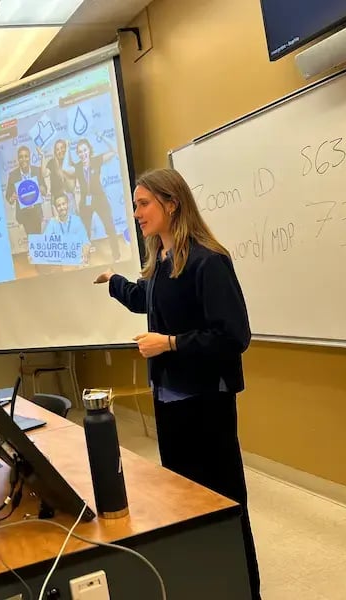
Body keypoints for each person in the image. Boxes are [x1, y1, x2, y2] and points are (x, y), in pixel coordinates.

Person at [93, 168, 261, 599]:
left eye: (143, 203)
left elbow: (233, 337)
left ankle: (244, 588)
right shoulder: (163, 261)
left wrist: (167, 343)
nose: (136, 213)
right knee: (183, 500)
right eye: (134, 205)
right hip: (170, 401)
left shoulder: (208, 261)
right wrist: (114, 282)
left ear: (172, 203)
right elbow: (147, 299)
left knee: (222, 502)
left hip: (205, 402)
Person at [73, 134, 121, 262]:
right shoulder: (77, 167)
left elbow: (114, 150)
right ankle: (85, 258)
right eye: (80, 152)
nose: (83, 154)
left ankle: (116, 256)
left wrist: (103, 137)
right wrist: (78, 205)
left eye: (85, 150)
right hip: (84, 201)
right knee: (85, 231)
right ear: (77, 154)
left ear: (89, 150)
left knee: (109, 226)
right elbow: (67, 172)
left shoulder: (96, 160)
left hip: (99, 198)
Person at [5, 144, 49, 236]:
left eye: (26, 156)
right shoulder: (13, 175)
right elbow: (8, 196)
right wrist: (12, 198)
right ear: (18, 159)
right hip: (23, 215)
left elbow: (45, 191)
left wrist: (42, 189)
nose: (23, 159)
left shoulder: (37, 171)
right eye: (21, 157)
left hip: (36, 213)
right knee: (31, 240)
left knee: (37, 238)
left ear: (29, 157)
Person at [43, 195, 91, 264]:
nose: (62, 207)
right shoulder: (52, 222)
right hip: (61, 262)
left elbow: (85, 242)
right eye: (59, 206)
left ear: (68, 204)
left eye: (63, 204)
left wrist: (84, 257)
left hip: (77, 260)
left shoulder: (76, 220)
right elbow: (44, 243)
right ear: (56, 208)